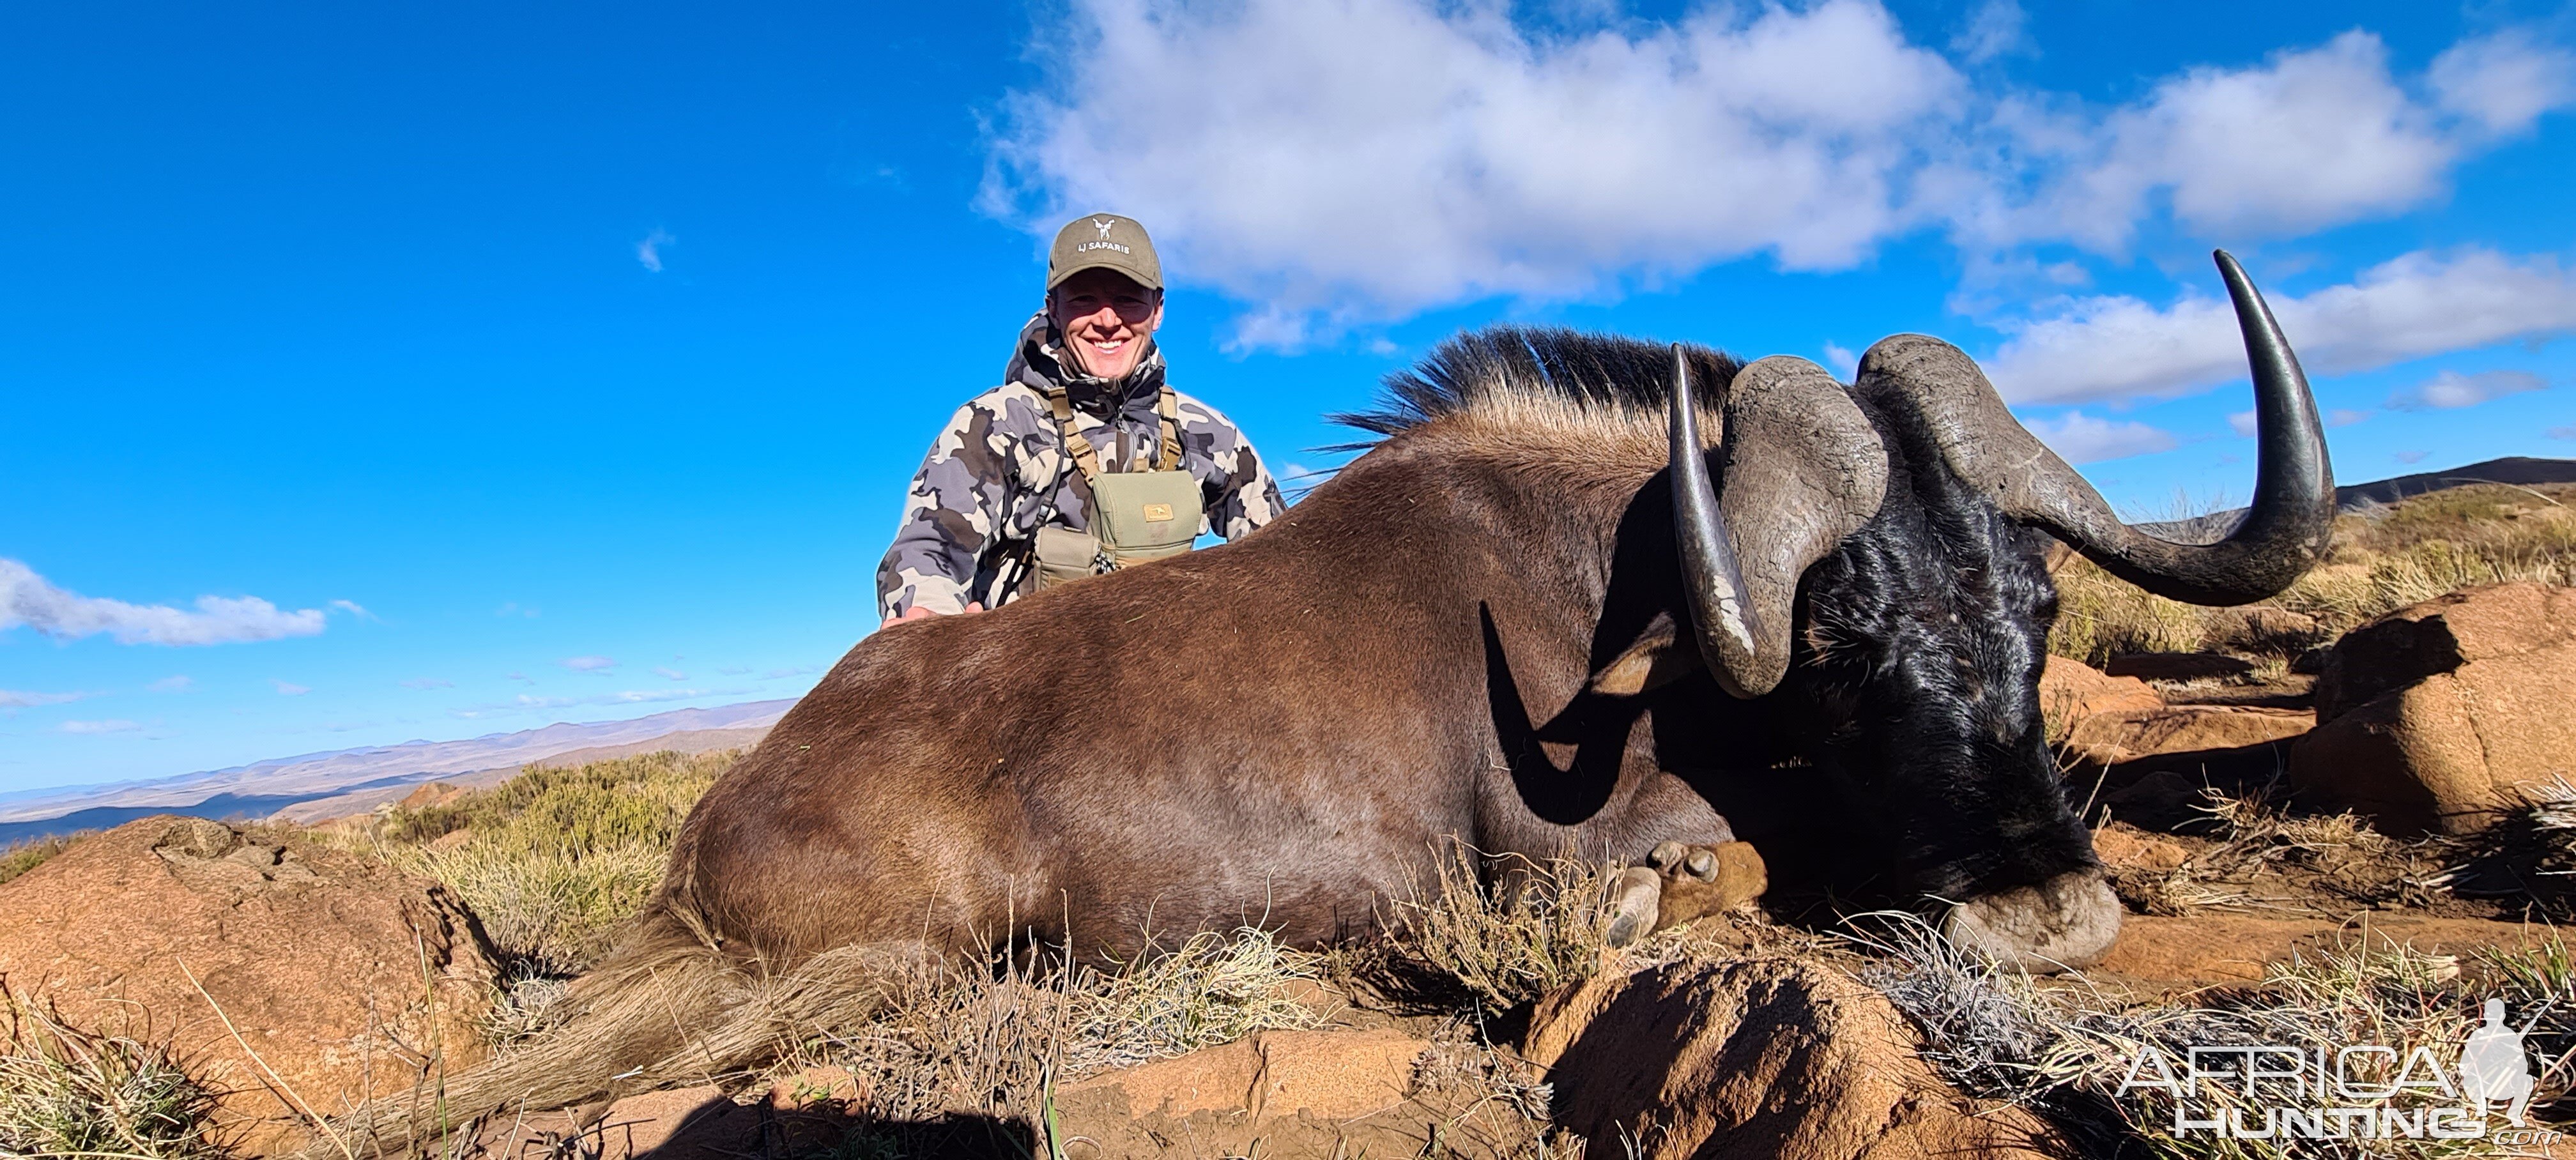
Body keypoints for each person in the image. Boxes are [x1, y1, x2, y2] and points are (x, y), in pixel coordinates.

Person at [875, 213, 1286, 621]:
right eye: (1084, 299)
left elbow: (1281, 556)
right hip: (1028, 675)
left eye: (1127, 299)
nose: (1108, 321)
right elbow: (929, 550)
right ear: (1054, 310)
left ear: (1158, 310)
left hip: (1172, 675)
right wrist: (927, 610)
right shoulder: (996, 424)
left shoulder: (1210, 433)